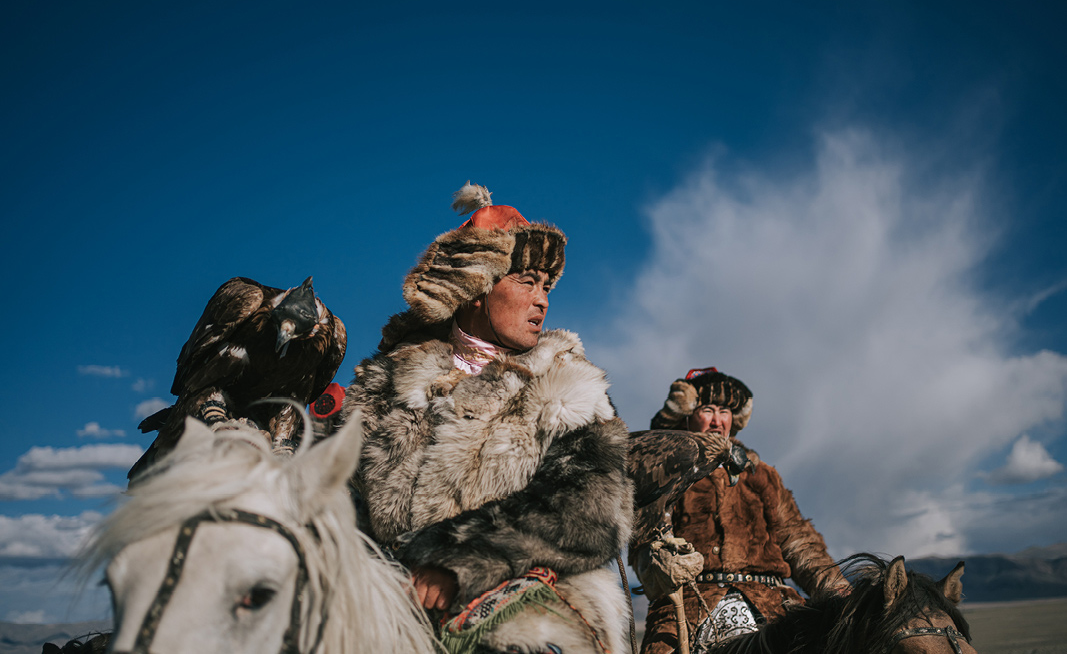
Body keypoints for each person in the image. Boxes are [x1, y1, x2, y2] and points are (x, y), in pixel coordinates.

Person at [336, 183, 633, 654]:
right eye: (525, 281)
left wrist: (457, 557)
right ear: (478, 287)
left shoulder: (566, 382)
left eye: (546, 286)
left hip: (528, 593)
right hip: (383, 598)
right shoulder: (386, 383)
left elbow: (590, 512)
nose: (542, 301)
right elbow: (341, 499)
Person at [637, 367, 847, 654]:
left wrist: (841, 593)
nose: (716, 420)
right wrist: (660, 563)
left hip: (772, 605)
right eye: (707, 409)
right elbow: (641, 545)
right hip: (688, 608)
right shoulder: (663, 474)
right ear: (687, 416)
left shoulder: (762, 476)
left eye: (724, 411)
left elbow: (800, 542)